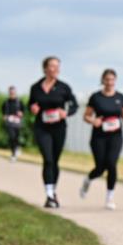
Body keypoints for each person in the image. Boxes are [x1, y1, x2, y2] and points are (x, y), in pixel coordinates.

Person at [80, 69, 123, 210]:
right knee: (100, 168)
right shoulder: (96, 97)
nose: (110, 82)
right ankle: (88, 180)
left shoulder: (120, 97)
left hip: (115, 136)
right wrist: (93, 121)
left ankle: (110, 197)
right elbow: (86, 116)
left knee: (111, 164)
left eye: (112, 79)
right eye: (107, 79)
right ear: (103, 81)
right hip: (99, 137)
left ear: (115, 81)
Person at [28, 56, 78, 208]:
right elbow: (30, 104)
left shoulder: (64, 87)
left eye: (57, 66)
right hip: (42, 127)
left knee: (55, 161)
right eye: (52, 66)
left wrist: (66, 113)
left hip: (59, 128)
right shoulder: (36, 88)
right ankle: (49, 195)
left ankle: (53, 191)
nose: (56, 69)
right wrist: (33, 108)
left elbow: (74, 105)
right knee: (48, 159)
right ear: (45, 68)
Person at [1, 86, 25, 162]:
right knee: (12, 137)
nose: (12, 93)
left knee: (16, 137)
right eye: (11, 92)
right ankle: (13, 154)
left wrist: (21, 113)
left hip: (17, 122)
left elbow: (23, 111)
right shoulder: (6, 102)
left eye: (13, 92)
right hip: (10, 122)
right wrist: (4, 116)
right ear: (9, 93)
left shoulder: (19, 102)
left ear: (15, 92)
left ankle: (17, 148)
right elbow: (3, 112)